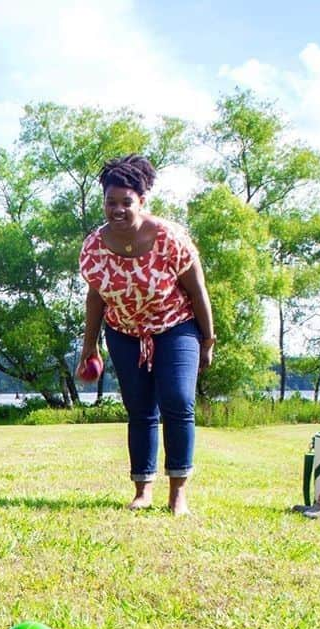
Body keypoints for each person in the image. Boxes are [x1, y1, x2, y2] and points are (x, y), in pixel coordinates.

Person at [78, 154, 215, 516]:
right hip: (124, 332)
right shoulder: (94, 246)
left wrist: (207, 339)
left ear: (142, 201)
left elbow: (197, 288)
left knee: (178, 400)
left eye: (127, 202)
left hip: (176, 326)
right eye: (111, 202)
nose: (118, 209)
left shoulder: (169, 237)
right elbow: (96, 297)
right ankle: (142, 490)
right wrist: (89, 346)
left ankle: (178, 493)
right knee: (139, 409)